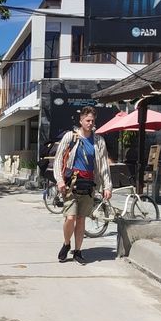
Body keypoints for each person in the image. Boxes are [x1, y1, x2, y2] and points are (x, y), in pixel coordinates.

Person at [53, 106, 112, 265]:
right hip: (71, 184)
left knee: (81, 219)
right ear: (81, 120)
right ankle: (67, 244)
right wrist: (59, 180)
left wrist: (107, 186)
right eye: (87, 120)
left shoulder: (98, 141)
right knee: (70, 217)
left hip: (88, 185)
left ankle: (78, 251)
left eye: (92, 120)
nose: (90, 123)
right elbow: (58, 159)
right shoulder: (70, 137)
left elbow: (104, 166)